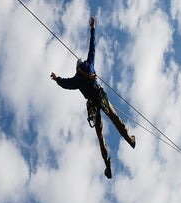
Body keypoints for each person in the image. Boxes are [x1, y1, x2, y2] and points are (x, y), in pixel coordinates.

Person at [50, 17, 135, 179]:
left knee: (100, 135)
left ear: (76, 68)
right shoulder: (89, 65)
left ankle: (107, 162)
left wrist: (56, 78)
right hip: (100, 97)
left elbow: (65, 84)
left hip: (93, 107)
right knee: (115, 118)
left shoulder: (76, 79)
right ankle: (130, 140)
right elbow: (92, 47)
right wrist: (93, 28)